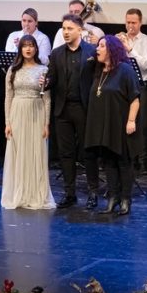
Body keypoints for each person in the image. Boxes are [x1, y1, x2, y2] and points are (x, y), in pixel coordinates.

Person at [46, 13, 99, 208]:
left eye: (70, 28)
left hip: (84, 108)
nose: (66, 32)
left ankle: (93, 193)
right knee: (66, 153)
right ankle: (70, 193)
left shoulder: (91, 51)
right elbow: (52, 79)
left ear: (80, 30)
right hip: (63, 109)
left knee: (88, 152)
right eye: (64, 28)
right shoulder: (57, 53)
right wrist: (45, 82)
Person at [85, 36, 140, 215]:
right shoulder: (98, 70)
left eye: (102, 46)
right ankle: (113, 197)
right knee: (108, 161)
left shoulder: (125, 70)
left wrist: (131, 120)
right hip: (103, 124)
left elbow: (135, 98)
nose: (97, 49)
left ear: (112, 50)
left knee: (123, 161)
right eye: (98, 46)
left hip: (120, 123)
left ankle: (125, 199)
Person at [0, 35, 54, 210]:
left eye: (31, 46)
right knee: (19, 154)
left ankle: (35, 194)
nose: (28, 49)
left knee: (35, 153)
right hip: (17, 113)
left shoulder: (43, 69)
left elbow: (47, 99)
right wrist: (7, 122)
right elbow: (8, 97)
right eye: (25, 46)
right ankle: (20, 193)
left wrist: (46, 124)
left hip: (36, 113)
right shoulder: (12, 70)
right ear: (20, 49)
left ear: (36, 48)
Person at [117, 9, 147, 172]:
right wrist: (117, 46)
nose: (130, 26)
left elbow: (145, 65)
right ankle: (126, 159)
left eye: (133, 23)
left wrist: (130, 49)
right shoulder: (120, 38)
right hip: (122, 86)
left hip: (141, 86)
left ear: (140, 23)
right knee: (123, 123)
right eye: (128, 22)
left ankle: (143, 161)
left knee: (142, 125)